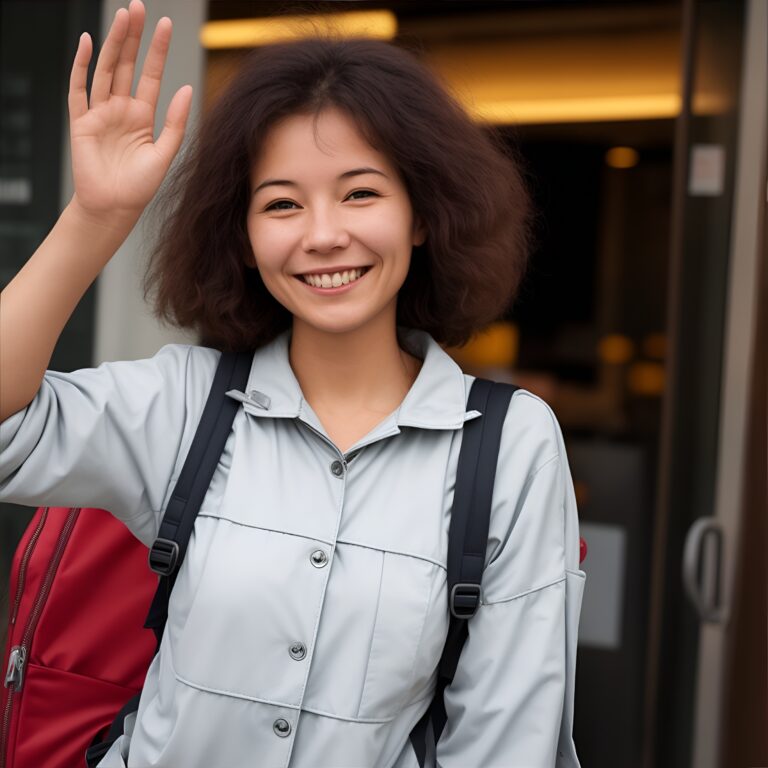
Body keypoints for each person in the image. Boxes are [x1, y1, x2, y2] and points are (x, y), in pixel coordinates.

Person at [0, 1, 586, 766]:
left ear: (420, 215)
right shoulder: (185, 404)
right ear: (243, 236)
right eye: (281, 203)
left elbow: (510, 741)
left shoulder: (510, 444)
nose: (321, 234)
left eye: (361, 193)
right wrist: (96, 215)